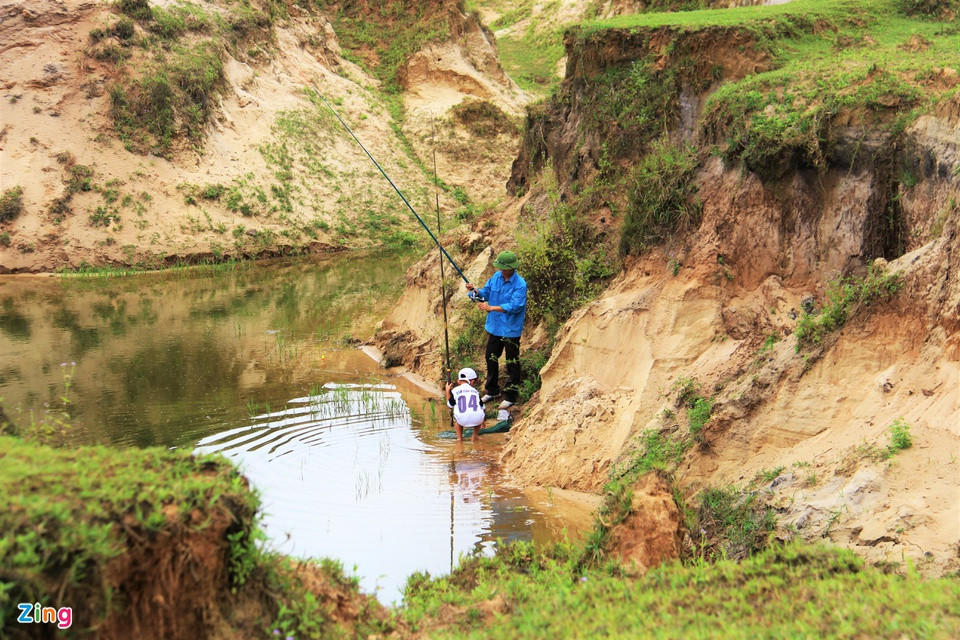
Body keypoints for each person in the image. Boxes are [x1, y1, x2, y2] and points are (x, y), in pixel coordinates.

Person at [464, 250, 527, 410]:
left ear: (511, 268)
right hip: (495, 327)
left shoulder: (520, 284)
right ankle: (492, 390)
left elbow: (515, 306)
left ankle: (511, 395)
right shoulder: (496, 278)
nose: (501, 271)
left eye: (503, 268)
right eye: (499, 268)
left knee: (512, 362)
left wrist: (491, 307)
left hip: (511, 329)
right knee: (490, 357)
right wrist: (474, 291)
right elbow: (485, 293)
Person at [446, 367, 486, 443]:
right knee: (478, 416)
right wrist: (482, 421)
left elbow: (450, 405)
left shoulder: (455, 390)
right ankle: (474, 437)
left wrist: (447, 391)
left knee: (457, 422)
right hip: (478, 420)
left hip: (462, 420)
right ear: (472, 381)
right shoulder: (475, 391)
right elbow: (483, 407)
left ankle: (460, 439)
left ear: (458, 381)